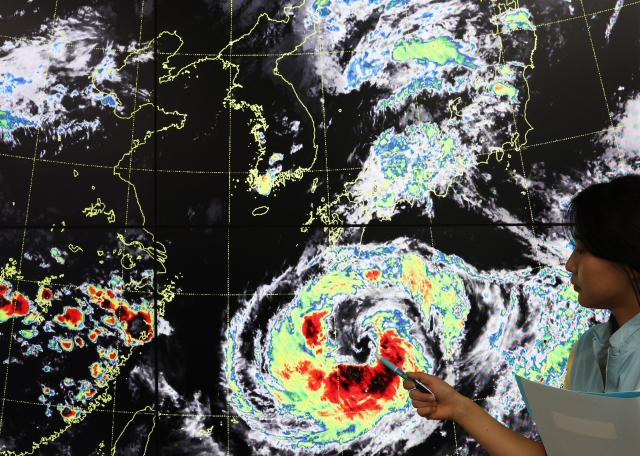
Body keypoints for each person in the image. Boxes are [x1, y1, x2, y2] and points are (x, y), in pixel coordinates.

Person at [403, 174, 640, 456]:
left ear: (631, 254)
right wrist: (458, 406)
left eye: (583, 250)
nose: (569, 264)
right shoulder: (589, 348)